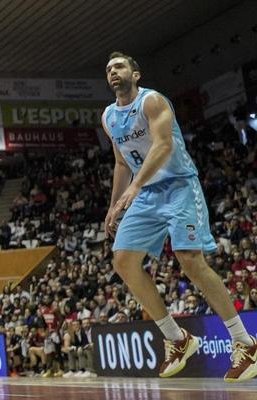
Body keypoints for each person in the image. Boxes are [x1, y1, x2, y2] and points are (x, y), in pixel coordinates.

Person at [102, 51, 257, 382]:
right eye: (109, 69)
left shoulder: (152, 101)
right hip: (145, 194)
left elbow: (163, 146)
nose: (113, 71)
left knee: (189, 259)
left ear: (135, 74)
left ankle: (245, 342)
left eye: (119, 66)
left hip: (178, 187)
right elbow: (121, 163)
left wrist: (134, 188)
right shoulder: (109, 116)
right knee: (123, 261)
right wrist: (114, 205)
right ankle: (177, 338)